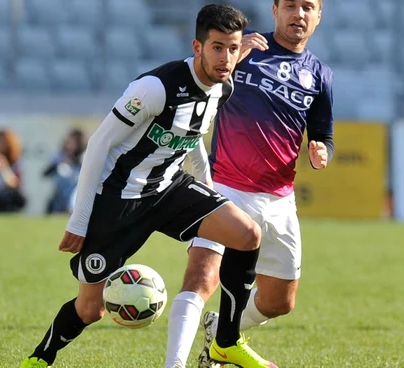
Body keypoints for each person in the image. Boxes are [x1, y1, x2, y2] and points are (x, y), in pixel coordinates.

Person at [19, 5, 276, 368]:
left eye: (233, 48)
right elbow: (98, 145)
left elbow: (193, 135)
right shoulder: (156, 88)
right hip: (119, 199)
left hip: (169, 188)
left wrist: (206, 186)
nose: (227, 58)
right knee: (90, 309)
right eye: (217, 47)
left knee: (247, 233)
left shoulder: (224, 85)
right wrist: (79, 220)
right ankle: (40, 359)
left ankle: (227, 341)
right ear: (197, 46)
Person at [162, 0, 333, 367]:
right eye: (290, 5)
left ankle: (220, 332)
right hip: (227, 188)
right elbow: (199, 85)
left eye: (307, 7)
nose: (298, 14)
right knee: (201, 278)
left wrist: (322, 151)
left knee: (278, 302)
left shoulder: (319, 74)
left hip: (280, 199)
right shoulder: (244, 51)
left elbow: (322, 133)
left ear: (319, 16)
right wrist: (234, 61)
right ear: (275, 10)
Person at [43, 129, 86, 214]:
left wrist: (74, 161)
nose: (70, 145)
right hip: (59, 193)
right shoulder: (60, 156)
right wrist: (58, 163)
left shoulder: (83, 156)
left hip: (76, 191)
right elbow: (45, 173)